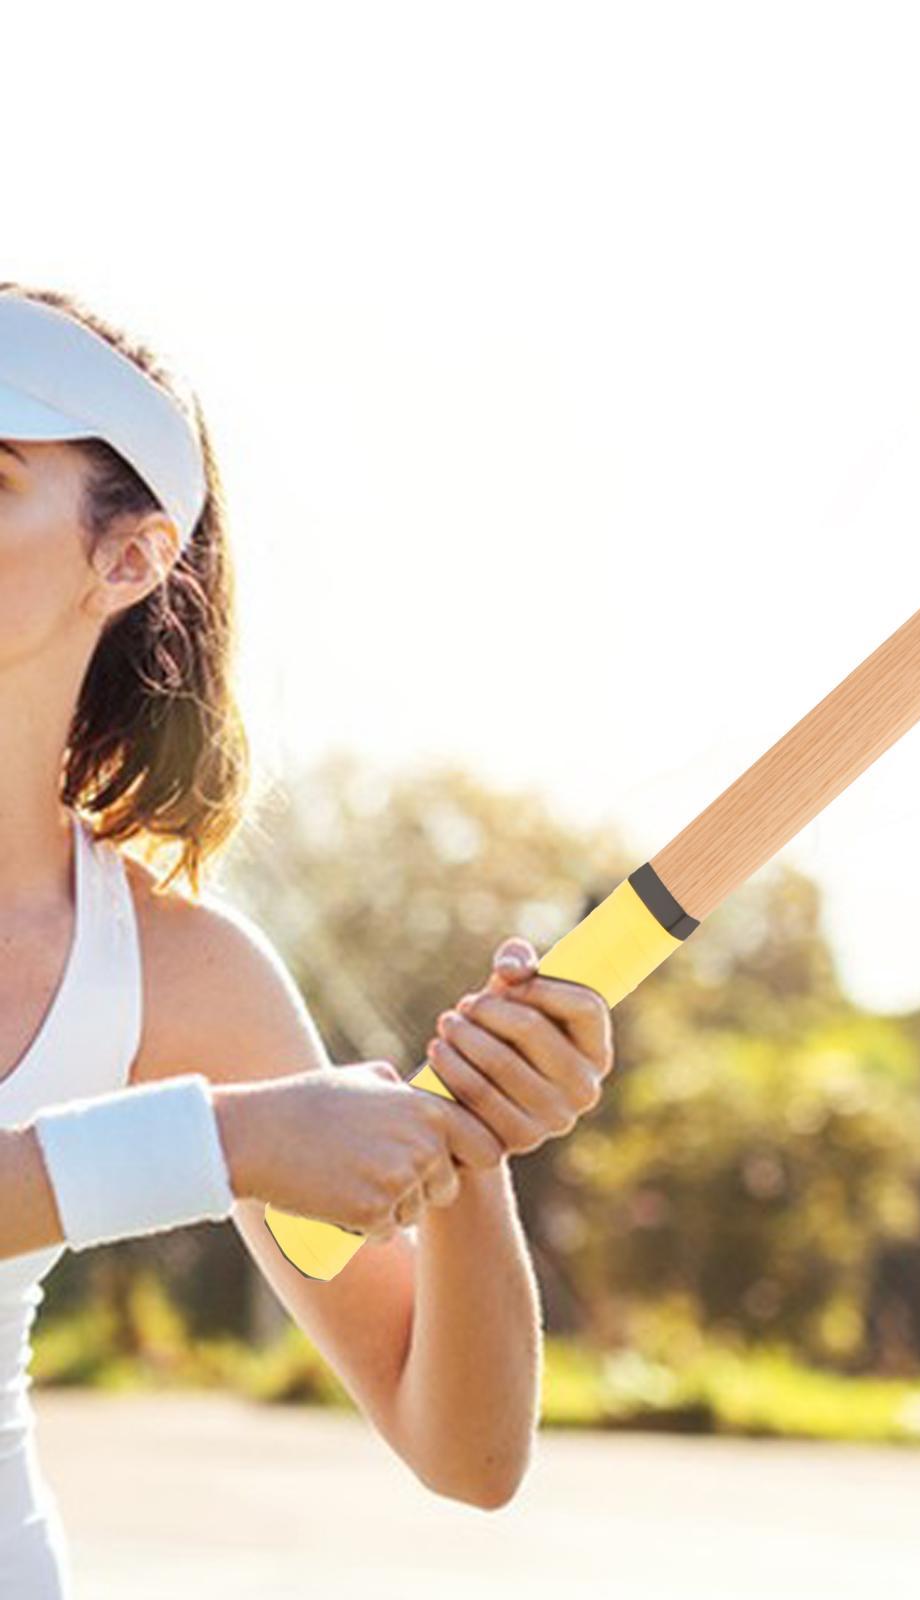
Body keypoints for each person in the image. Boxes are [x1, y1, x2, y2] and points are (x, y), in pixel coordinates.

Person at [0, 281, 614, 1596]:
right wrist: (220, 1143)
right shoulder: (217, 1101)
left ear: (130, 558)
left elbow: (461, 1447)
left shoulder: (181, 977)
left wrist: (464, 1146)